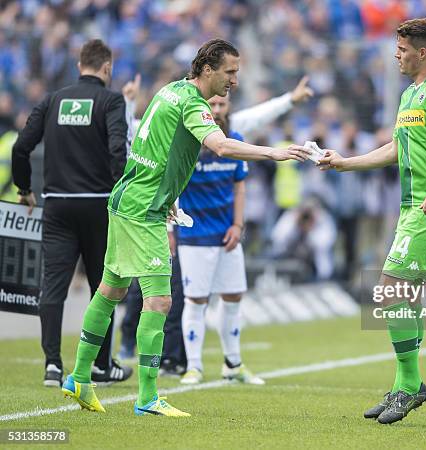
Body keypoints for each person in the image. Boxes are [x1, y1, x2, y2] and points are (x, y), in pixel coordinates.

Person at [60, 38, 310, 417]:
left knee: (111, 290)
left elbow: (154, 150)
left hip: (127, 202)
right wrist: (273, 152)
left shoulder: (169, 91)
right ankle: (146, 397)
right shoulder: (193, 103)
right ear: (207, 70)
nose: (235, 80)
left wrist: (171, 199)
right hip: (143, 212)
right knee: (159, 300)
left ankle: (79, 376)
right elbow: (221, 146)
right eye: (230, 72)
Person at [319, 18, 426, 424]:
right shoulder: (410, 95)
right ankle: (407, 384)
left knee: (389, 291)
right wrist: (346, 163)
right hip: (411, 208)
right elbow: (395, 148)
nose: (396, 54)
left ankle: (408, 386)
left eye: (403, 48)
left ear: (422, 52)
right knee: (403, 295)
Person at [11, 39, 133, 387]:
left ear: (80, 65)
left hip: (58, 205)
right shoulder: (111, 100)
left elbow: (22, 147)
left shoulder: (53, 99)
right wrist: (122, 193)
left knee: (53, 286)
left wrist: (24, 189)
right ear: (106, 68)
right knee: (104, 287)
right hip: (98, 206)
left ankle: (52, 364)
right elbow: (116, 151)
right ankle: (100, 364)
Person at [177, 94, 262, 385]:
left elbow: (239, 188)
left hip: (228, 236)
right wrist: (170, 229)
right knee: (196, 300)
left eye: (221, 105)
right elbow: (172, 186)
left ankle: (233, 364)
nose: (216, 110)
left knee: (233, 296)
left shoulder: (234, 140)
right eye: (211, 105)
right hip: (195, 236)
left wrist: (238, 225)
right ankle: (194, 366)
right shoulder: (188, 143)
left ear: (228, 109)